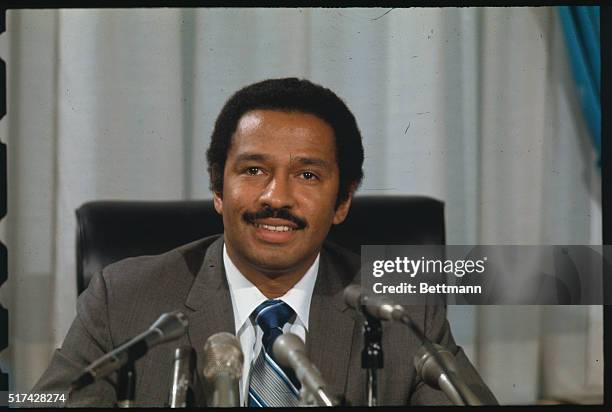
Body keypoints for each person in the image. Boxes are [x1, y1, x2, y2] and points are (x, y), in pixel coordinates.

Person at [28, 78, 497, 406]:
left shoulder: (404, 307)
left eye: (308, 175)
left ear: (343, 202)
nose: (277, 197)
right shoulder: (125, 297)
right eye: (254, 170)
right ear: (218, 188)